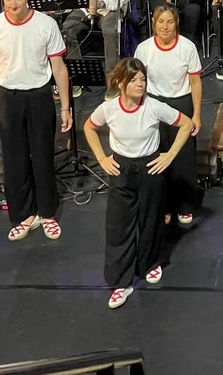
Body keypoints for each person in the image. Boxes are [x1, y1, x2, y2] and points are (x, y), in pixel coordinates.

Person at [83, 57, 193, 308]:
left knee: (150, 218)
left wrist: (170, 155)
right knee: (118, 224)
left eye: (143, 79)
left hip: (150, 167)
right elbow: (89, 127)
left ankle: (150, 263)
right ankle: (120, 282)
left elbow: (186, 124)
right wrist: (101, 157)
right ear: (121, 83)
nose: (140, 84)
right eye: (134, 80)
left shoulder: (153, 106)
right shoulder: (109, 108)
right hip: (121, 167)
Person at [0, 0, 72, 241]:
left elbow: (59, 68)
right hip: (7, 97)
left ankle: (47, 213)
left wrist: (65, 107)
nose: (13, 5)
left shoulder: (46, 24)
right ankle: (24, 214)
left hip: (39, 95)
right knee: (14, 158)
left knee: (42, 155)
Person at [134, 4, 203, 229]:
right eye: (160, 21)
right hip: (154, 104)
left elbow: (195, 82)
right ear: (153, 23)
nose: (165, 27)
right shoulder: (143, 49)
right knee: (157, 156)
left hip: (181, 104)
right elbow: (138, 82)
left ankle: (185, 205)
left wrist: (197, 114)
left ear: (176, 24)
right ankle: (164, 206)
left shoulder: (187, 47)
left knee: (183, 158)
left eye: (170, 22)